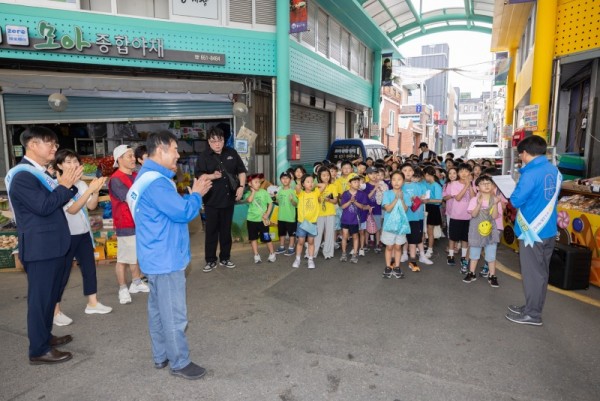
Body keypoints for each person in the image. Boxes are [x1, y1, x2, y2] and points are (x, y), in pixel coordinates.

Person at [127, 130, 212, 379]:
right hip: (165, 258)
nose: (178, 154)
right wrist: (196, 193)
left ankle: (161, 355)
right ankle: (180, 362)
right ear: (162, 149)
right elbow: (183, 212)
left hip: (154, 255)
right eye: (175, 149)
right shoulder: (156, 183)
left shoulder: (148, 178)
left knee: (157, 309)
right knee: (173, 313)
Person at [5, 126, 80, 365]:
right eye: (50, 143)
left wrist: (69, 183)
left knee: (51, 296)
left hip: (54, 245)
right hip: (40, 248)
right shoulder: (22, 176)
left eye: (56, 144)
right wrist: (64, 185)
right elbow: (45, 206)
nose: (54, 148)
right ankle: (38, 350)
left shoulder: (40, 172)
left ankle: (45, 337)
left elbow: (63, 195)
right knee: (40, 300)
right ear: (32, 145)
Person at [505, 136, 561, 326]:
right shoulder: (553, 170)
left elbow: (515, 201)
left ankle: (533, 314)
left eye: (520, 155)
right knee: (541, 273)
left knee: (532, 274)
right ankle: (532, 307)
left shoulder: (530, 174)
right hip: (549, 230)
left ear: (525, 153)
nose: (521, 159)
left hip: (532, 233)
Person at [52, 149, 112, 326]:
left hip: (84, 233)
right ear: (60, 165)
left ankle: (92, 303)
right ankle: (55, 311)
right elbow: (72, 209)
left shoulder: (81, 184)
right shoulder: (58, 185)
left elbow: (91, 206)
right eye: (68, 162)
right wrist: (89, 190)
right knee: (62, 274)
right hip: (66, 236)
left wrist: (95, 192)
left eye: (75, 161)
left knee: (89, 268)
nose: (73, 165)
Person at [196, 127, 247, 273]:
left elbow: (241, 171)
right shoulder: (204, 156)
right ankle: (210, 260)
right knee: (211, 231)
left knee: (226, 231)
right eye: (214, 141)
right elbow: (199, 176)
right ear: (209, 142)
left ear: (224, 140)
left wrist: (241, 187)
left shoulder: (231, 153)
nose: (217, 144)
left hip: (228, 199)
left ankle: (225, 258)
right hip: (211, 200)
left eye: (220, 141)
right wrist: (212, 176)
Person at [108, 144, 149, 304]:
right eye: (129, 156)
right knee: (124, 258)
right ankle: (122, 288)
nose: (133, 159)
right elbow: (132, 198)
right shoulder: (116, 179)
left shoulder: (135, 175)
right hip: (125, 223)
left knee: (135, 255)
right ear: (119, 159)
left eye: (133, 156)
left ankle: (136, 282)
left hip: (138, 222)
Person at [462, 175, 502, 286]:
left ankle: (492, 275)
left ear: (493, 186)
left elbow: (494, 217)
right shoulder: (474, 199)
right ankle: (471, 273)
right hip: (476, 231)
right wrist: (479, 204)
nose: (486, 185)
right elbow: (474, 214)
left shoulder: (496, 200)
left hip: (491, 231)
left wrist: (495, 204)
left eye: (489, 183)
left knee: (491, 255)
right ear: (477, 187)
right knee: (474, 253)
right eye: (483, 183)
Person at [444, 163, 475, 271]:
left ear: (470, 173)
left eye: (466, 171)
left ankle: (463, 257)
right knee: (453, 237)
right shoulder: (455, 184)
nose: (464, 173)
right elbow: (457, 198)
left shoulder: (473, 184)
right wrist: (466, 185)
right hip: (456, 215)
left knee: (465, 238)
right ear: (458, 173)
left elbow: (473, 198)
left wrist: (470, 185)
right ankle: (451, 255)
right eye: (461, 171)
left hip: (468, 216)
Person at [381, 171, 410, 279]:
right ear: (391, 181)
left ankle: (397, 266)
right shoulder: (387, 194)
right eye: (394, 179)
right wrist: (396, 198)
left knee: (398, 247)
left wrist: (401, 198)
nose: (396, 182)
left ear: (403, 181)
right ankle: (388, 266)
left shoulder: (406, 194)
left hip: (401, 226)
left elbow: (406, 209)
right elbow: (388, 209)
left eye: (399, 179)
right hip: (389, 225)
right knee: (389, 246)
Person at [244, 173, 276, 264]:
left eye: (259, 182)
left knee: (266, 237)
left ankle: (272, 253)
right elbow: (249, 200)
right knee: (253, 238)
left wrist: (267, 214)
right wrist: (253, 192)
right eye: (255, 182)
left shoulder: (264, 192)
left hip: (262, 220)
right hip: (251, 220)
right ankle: (256, 255)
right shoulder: (248, 194)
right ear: (250, 184)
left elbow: (270, 203)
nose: (258, 184)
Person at [292, 174, 320, 269]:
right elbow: (297, 187)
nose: (310, 183)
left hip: (312, 222)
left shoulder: (316, 192)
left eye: (312, 181)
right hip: (302, 222)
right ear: (303, 184)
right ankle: (297, 259)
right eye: (308, 182)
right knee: (301, 241)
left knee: (311, 241)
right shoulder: (301, 194)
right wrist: (300, 182)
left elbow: (323, 186)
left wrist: (315, 184)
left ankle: (310, 259)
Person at [339, 174, 369, 263]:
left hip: (355, 220)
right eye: (355, 182)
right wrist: (350, 201)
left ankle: (355, 254)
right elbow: (343, 206)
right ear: (349, 183)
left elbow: (363, 207)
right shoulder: (345, 194)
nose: (357, 183)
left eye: (358, 182)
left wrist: (355, 202)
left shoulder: (361, 194)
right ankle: (344, 253)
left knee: (355, 236)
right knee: (344, 236)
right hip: (345, 219)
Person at [313, 167, 338, 259]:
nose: (326, 177)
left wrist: (329, 200)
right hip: (319, 213)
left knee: (329, 233)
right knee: (318, 233)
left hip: (330, 213)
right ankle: (313, 252)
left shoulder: (333, 186)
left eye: (328, 175)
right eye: (324, 175)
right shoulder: (316, 187)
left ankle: (328, 252)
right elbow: (314, 199)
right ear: (319, 176)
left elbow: (335, 201)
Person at [275, 172, 298, 256]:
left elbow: (296, 204)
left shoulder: (293, 191)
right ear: (280, 180)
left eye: (287, 178)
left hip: (290, 217)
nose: (285, 180)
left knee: (292, 234)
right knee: (282, 233)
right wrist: (276, 198)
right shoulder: (279, 191)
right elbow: (278, 202)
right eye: (283, 178)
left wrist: (292, 200)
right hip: (281, 216)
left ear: (290, 180)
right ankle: (282, 246)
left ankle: (291, 247)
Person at [423, 166, 443, 259]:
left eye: (424, 176)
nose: (424, 178)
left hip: (433, 209)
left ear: (427, 175)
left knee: (430, 231)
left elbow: (439, 200)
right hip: (426, 207)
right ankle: (424, 246)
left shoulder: (436, 185)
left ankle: (430, 250)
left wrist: (428, 200)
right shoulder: (426, 183)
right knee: (425, 229)